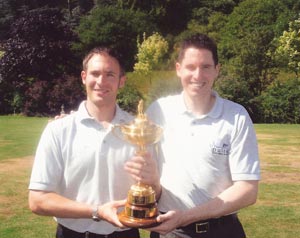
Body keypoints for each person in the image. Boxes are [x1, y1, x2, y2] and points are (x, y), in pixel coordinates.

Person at [131, 33, 261, 238]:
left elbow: (247, 190)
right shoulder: (159, 111)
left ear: (217, 70)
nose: (198, 75)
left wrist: (185, 216)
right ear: (178, 69)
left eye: (206, 67)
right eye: (190, 67)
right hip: (170, 232)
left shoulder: (236, 116)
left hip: (223, 231)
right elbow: (150, 183)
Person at [28, 47, 160, 238]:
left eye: (110, 74)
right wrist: (97, 211)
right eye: (95, 74)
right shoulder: (58, 130)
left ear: (121, 81)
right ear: (84, 77)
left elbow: (154, 194)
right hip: (72, 234)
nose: (101, 81)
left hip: (125, 233)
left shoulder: (140, 131)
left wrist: (154, 180)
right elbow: (37, 200)